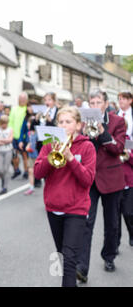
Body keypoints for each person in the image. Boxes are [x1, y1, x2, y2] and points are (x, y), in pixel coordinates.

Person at [34, 106, 96, 287]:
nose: (63, 125)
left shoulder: (87, 146)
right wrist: (50, 157)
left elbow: (87, 180)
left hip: (76, 208)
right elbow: (38, 173)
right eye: (60, 122)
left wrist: (70, 159)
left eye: (68, 122)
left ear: (78, 125)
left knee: (69, 258)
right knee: (63, 255)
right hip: (54, 207)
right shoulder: (49, 143)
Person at [77, 89, 126, 282]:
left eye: (98, 102)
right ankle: (82, 268)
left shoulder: (117, 122)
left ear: (106, 104)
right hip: (90, 179)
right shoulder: (83, 122)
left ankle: (109, 256)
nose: (95, 106)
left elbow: (118, 148)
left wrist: (102, 130)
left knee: (112, 223)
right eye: (92, 103)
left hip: (112, 179)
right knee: (86, 223)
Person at [116, 91, 133, 248]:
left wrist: (129, 155)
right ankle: (115, 243)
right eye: (119, 99)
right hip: (115, 180)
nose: (120, 101)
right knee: (115, 217)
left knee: (128, 212)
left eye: (123, 99)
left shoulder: (128, 140)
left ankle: (132, 232)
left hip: (128, 179)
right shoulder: (116, 114)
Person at [8, 92, 28, 179]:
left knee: (24, 155)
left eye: (24, 98)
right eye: (21, 98)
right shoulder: (14, 109)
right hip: (14, 136)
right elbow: (10, 122)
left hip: (24, 137)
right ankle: (17, 170)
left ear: (26, 100)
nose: (22, 100)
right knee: (14, 154)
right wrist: (10, 134)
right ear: (18, 99)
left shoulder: (27, 109)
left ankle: (26, 171)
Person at [0, 115, 13, 194]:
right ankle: (3, 179)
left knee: (6, 169)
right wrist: (5, 140)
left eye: (6, 123)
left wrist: (1, 140)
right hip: (0, 151)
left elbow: (10, 140)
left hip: (8, 150)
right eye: (3, 123)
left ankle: (4, 187)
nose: (4, 125)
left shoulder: (10, 129)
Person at [23, 115, 39, 196]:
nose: (27, 124)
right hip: (31, 154)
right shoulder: (29, 133)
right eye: (28, 123)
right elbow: (29, 142)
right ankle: (31, 187)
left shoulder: (37, 133)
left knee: (38, 172)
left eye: (29, 123)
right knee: (30, 171)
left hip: (37, 155)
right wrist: (27, 146)